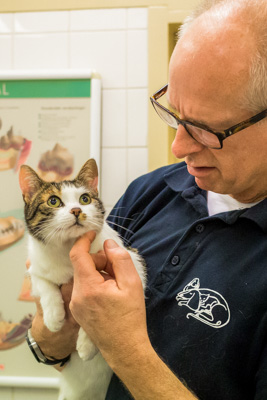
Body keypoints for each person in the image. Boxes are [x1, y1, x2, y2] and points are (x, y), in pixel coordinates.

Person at [29, 0, 267, 399]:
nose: (178, 147)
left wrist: (124, 345)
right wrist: (53, 332)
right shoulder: (150, 192)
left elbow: (115, 343)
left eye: (205, 129)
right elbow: (54, 347)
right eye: (174, 114)